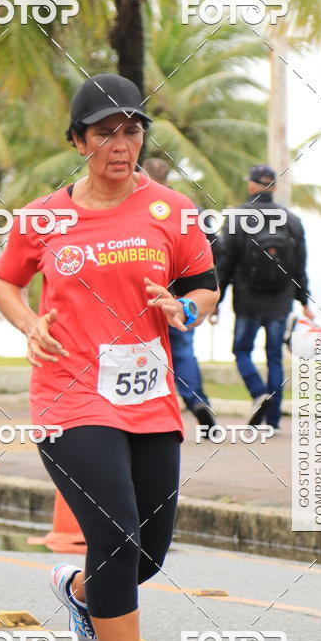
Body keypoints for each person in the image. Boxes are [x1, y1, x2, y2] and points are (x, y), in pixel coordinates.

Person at [0, 73, 219, 641]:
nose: (122, 145)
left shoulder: (171, 210)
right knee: (116, 538)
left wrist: (184, 309)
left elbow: (204, 285)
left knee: (148, 553)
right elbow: (6, 282)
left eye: (132, 129)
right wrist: (28, 322)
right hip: (69, 395)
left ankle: (82, 593)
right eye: (105, 132)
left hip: (148, 398)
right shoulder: (43, 218)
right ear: (79, 141)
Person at [217, 165, 314, 431]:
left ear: (251, 186)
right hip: (280, 302)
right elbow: (300, 265)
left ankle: (259, 393)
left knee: (242, 350)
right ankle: (273, 421)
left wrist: (217, 299)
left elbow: (226, 263)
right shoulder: (292, 220)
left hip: (247, 300)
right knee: (274, 357)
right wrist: (304, 301)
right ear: (274, 188)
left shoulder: (237, 217)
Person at [141, 157, 217, 436]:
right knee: (183, 351)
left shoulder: (135, 207)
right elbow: (212, 254)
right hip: (184, 295)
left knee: (143, 352)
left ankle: (152, 413)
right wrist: (209, 297)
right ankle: (197, 402)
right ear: (169, 179)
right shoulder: (190, 209)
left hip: (145, 294)